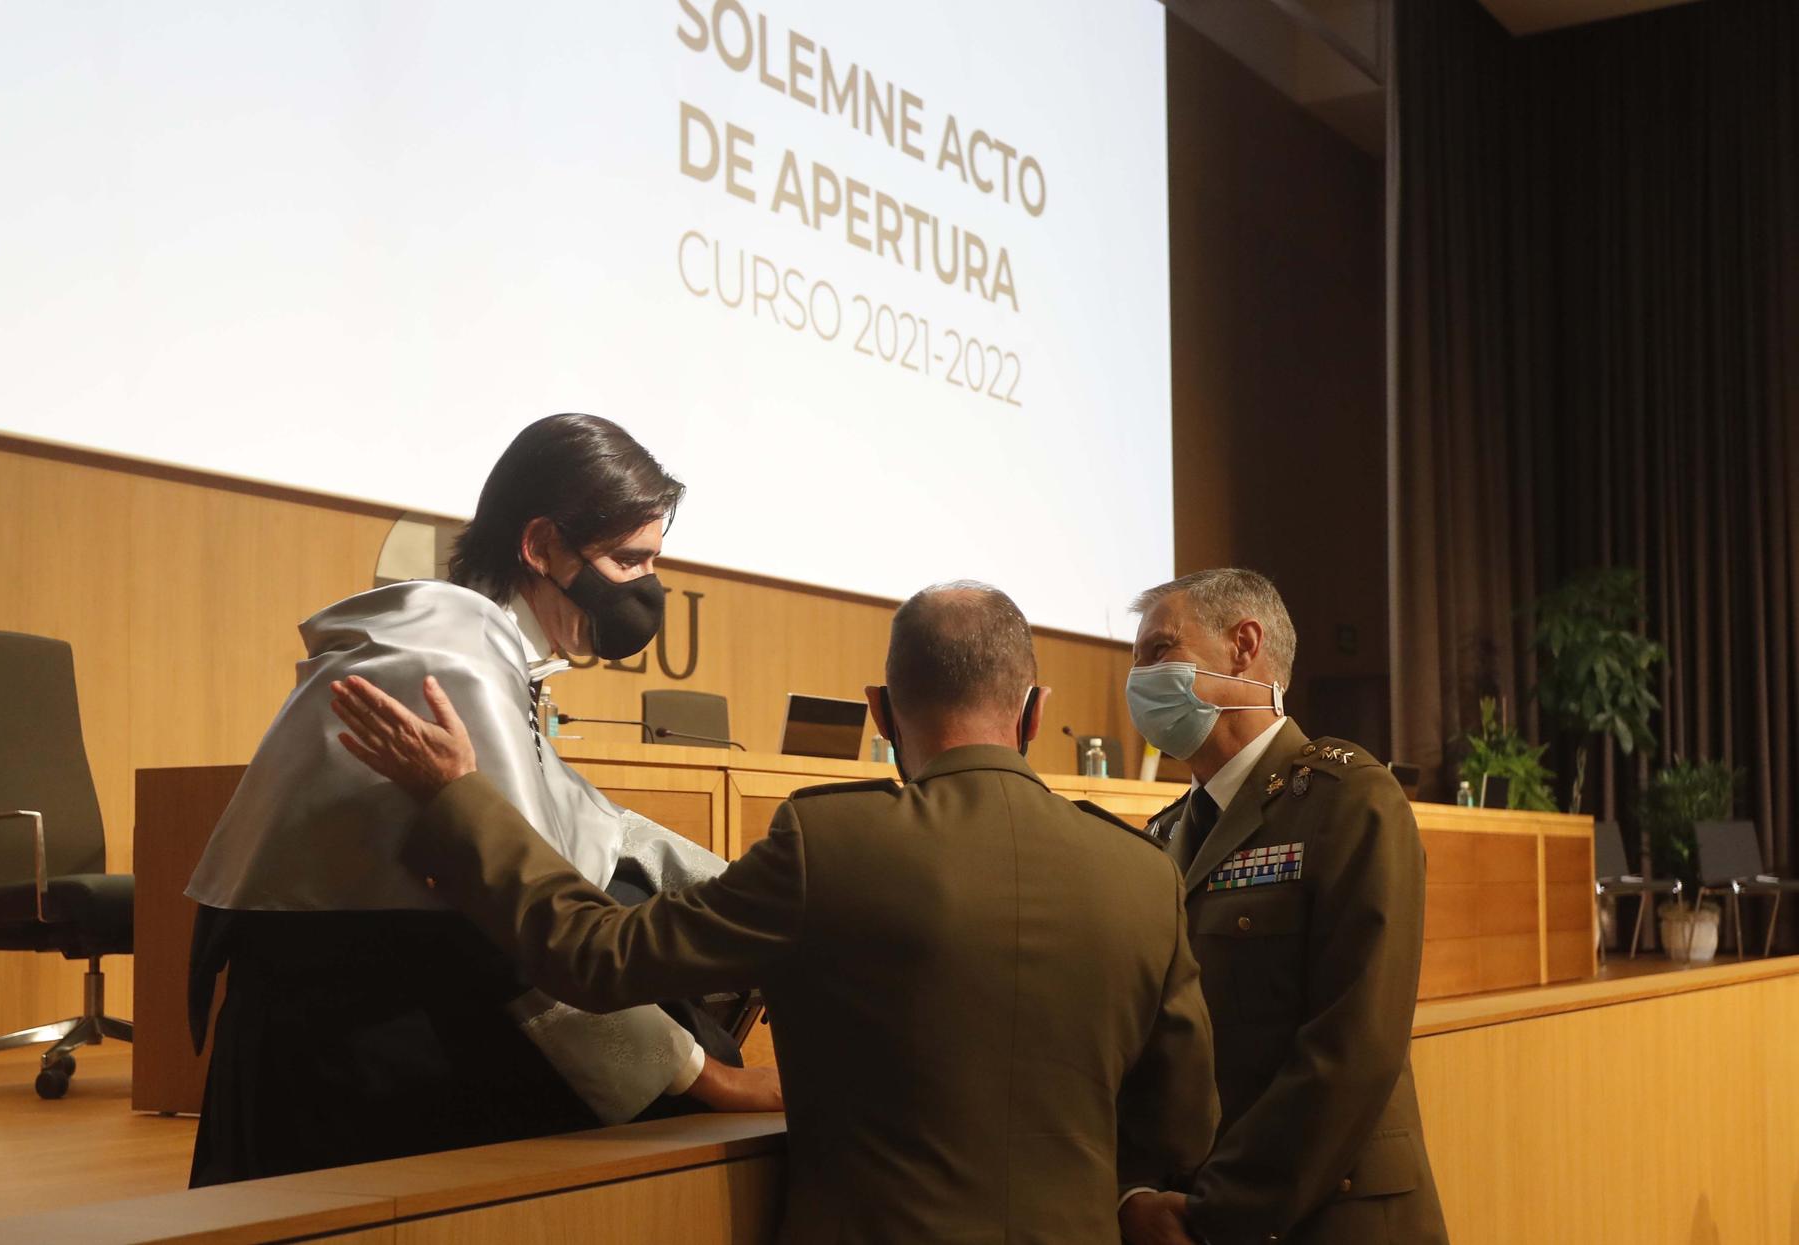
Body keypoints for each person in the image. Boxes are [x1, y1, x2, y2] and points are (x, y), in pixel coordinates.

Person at [331, 581, 1220, 1244]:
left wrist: (460, 797)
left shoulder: (830, 843)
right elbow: (1183, 1122)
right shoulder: (1141, 873)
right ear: (1034, 714)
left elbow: (591, 955)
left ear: (881, 712)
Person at [182, 414, 779, 1187]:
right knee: (693, 1070)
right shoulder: (448, 661)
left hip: (398, 991)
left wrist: (755, 903)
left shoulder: (482, 643)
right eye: (630, 560)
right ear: (540, 547)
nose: (646, 589)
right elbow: (524, 930)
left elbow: (600, 826)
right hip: (353, 1045)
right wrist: (711, 1078)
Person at [1118, 568, 1449, 1245]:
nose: (1140, 679)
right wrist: (1137, 1192)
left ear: (1244, 644)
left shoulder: (1347, 800)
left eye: (1159, 651)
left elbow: (1352, 1045)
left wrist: (1215, 1211)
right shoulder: (1162, 835)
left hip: (1327, 1215)